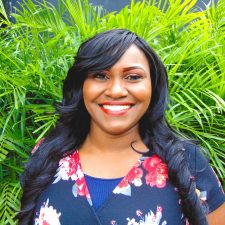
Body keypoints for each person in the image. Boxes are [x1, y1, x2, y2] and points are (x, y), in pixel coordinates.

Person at [17, 29, 225, 225]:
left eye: (133, 77)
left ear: (153, 86)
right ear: (81, 85)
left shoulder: (188, 162)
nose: (116, 91)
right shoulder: (47, 155)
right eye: (100, 75)